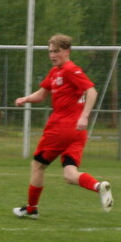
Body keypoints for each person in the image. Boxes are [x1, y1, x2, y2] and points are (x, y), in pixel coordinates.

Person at [12, 34, 113, 218]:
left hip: (61, 129)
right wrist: (25, 99)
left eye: (56, 51)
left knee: (37, 166)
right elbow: (42, 94)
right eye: (50, 51)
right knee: (70, 174)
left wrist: (85, 116)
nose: (52, 55)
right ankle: (99, 187)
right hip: (77, 133)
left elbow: (92, 91)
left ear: (67, 51)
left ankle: (32, 208)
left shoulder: (70, 69)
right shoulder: (55, 72)